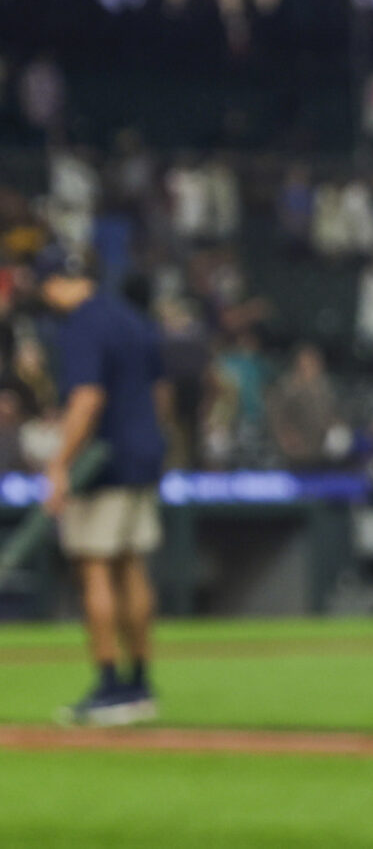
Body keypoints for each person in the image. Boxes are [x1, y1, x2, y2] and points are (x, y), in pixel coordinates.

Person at [39, 249, 169, 727]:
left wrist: (59, 464)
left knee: (94, 566)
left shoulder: (80, 327)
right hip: (145, 453)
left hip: (103, 462)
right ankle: (140, 683)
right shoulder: (132, 320)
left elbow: (87, 398)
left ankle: (111, 685)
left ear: (57, 284)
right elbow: (161, 393)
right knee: (132, 565)